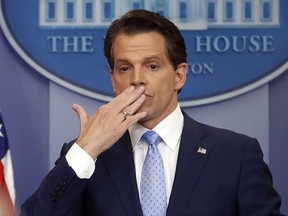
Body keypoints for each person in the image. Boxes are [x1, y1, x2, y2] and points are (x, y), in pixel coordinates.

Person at [21, 9, 283, 216]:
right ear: (113, 80)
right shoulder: (85, 157)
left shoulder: (236, 155)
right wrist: (86, 148)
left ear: (179, 75)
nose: (137, 79)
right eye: (125, 68)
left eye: (152, 66)